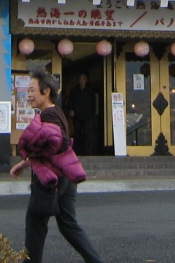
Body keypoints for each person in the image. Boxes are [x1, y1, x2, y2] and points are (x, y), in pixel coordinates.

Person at [11, 69, 105, 263]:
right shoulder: (58, 113)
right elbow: (56, 146)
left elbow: (55, 144)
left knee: (35, 226)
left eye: (32, 90)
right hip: (66, 178)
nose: (28, 94)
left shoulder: (48, 116)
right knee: (69, 226)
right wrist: (25, 162)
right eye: (28, 90)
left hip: (50, 179)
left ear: (46, 92)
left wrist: (29, 154)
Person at [64, 71, 98, 155]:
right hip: (77, 116)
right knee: (77, 134)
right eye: (80, 79)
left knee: (87, 134)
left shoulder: (90, 91)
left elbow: (93, 103)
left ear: (86, 80)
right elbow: (70, 102)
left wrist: (92, 113)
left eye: (83, 79)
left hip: (87, 116)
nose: (81, 81)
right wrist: (71, 110)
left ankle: (87, 151)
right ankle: (77, 152)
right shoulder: (74, 91)